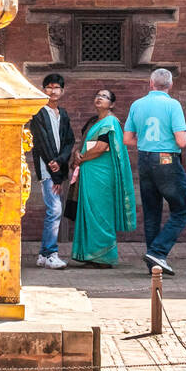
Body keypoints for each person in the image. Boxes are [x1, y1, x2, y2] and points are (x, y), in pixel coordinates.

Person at [123, 68, 186, 276]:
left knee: (152, 211)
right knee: (180, 211)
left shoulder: (137, 104)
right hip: (167, 159)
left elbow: (127, 139)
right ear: (170, 85)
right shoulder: (172, 105)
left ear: (150, 84)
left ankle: (154, 261)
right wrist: (184, 139)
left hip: (144, 158)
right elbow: (181, 140)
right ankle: (158, 252)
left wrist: (145, 143)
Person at [70, 89, 136, 267]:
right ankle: (90, 255)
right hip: (89, 172)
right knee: (88, 212)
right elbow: (83, 144)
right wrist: (77, 153)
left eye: (105, 97)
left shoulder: (111, 122)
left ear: (112, 104)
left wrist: (82, 158)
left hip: (101, 175)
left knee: (101, 213)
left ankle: (105, 257)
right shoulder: (93, 121)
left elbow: (100, 148)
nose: (99, 98)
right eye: (98, 95)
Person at [28, 73, 75, 269]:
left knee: (54, 209)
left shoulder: (63, 114)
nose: (53, 91)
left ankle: (43, 255)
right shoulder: (38, 113)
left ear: (62, 91)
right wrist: (51, 163)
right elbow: (40, 142)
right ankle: (50, 253)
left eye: (57, 87)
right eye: (49, 87)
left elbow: (69, 141)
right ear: (43, 89)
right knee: (54, 209)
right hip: (46, 168)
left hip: (58, 168)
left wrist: (61, 160)